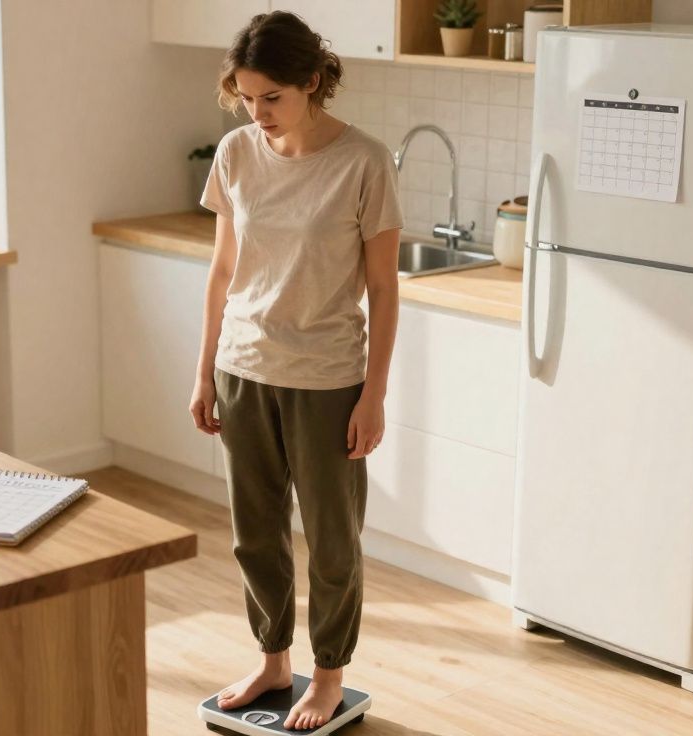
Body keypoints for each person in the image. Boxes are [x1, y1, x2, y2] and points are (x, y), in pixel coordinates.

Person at [187, 10, 403, 732]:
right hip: (244, 366)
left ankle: (330, 676)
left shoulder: (365, 161)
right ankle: (274, 660)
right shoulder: (237, 154)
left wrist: (373, 395)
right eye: (246, 98)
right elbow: (222, 271)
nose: (259, 113)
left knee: (332, 539)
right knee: (255, 531)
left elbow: (383, 289)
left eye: (271, 97)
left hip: (327, 377)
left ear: (312, 82)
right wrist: (204, 371)